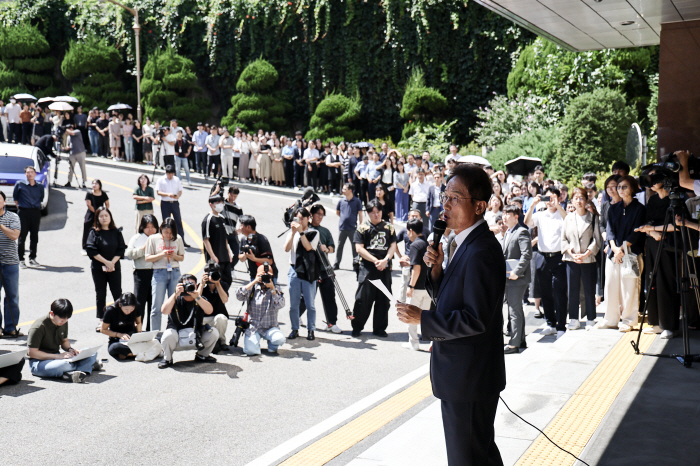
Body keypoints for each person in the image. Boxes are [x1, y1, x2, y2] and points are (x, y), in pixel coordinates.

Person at [398, 163, 506, 466]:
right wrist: (436, 272)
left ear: (480, 206)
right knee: (478, 454)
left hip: (470, 378)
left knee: (467, 458)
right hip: (463, 376)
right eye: (445, 196)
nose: (445, 205)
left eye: (455, 198)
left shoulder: (482, 249)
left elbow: (475, 318)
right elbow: (452, 299)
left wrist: (422, 318)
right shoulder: (461, 242)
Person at [597, 176, 646, 332]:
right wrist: (615, 248)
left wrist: (622, 249)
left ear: (632, 188)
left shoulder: (640, 209)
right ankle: (610, 319)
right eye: (619, 187)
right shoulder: (613, 208)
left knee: (629, 287)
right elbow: (609, 231)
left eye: (624, 187)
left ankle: (629, 320)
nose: (620, 190)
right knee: (610, 286)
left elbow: (637, 232)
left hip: (631, 252)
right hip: (614, 253)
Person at [525, 186, 568, 338]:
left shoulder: (562, 214)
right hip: (542, 256)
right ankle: (550, 323)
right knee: (545, 292)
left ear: (558, 198)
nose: (549, 201)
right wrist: (532, 205)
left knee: (559, 291)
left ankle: (561, 325)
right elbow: (527, 222)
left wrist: (558, 206)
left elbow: (568, 220)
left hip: (558, 257)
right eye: (547, 198)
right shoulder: (540, 214)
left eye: (552, 198)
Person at [351, 199, 397, 338]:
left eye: (379, 212)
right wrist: (376, 260)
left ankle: (379, 328)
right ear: (368, 213)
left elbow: (393, 245)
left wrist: (386, 260)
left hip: (384, 267)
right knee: (362, 299)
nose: (377, 215)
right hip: (367, 267)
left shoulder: (389, 227)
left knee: (384, 299)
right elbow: (359, 248)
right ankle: (357, 327)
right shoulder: (362, 228)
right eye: (374, 213)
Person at [27, 299, 102, 383]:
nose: (65, 321)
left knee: (91, 352)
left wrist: (71, 350)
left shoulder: (62, 321)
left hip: (58, 357)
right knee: (62, 365)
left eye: (67, 318)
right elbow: (32, 353)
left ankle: (75, 373)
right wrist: (58, 357)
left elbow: (64, 341)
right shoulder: (38, 327)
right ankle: (86, 366)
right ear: (52, 313)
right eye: (62, 319)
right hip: (40, 362)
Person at [561, 188, 602, 331]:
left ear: (586, 201)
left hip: (588, 258)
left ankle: (591, 318)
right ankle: (573, 318)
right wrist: (572, 254)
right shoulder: (568, 218)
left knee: (589, 289)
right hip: (571, 259)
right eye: (576, 198)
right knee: (573, 289)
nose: (578, 201)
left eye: (581, 198)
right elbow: (563, 239)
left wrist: (586, 254)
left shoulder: (593, 217)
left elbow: (597, 240)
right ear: (572, 200)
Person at [158, 274, 218, 368]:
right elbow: (164, 311)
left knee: (213, 332)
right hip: (176, 339)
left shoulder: (199, 299)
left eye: (192, 284)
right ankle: (167, 359)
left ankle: (202, 355)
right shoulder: (175, 299)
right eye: (186, 284)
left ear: (196, 286)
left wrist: (197, 297)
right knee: (167, 335)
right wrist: (175, 294)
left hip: (196, 339)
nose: (188, 287)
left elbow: (210, 310)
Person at [86, 207, 125, 330]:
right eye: (101, 216)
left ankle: (120, 317)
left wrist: (112, 263)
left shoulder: (116, 232)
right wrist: (106, 262)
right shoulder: (94, 232)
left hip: (114, 267)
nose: (104, 218)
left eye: (106, 216)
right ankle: (102, 320)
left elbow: (121, 248)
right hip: (98, 268)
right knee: (101, 293)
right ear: (97, 218)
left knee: (117, 292)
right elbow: (91, 250)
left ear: (110, 217)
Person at [284, 207, 320, 340]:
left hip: (308, 271)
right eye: (297, 218)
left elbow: (309, 247)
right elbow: (286, 249)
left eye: (302, 218)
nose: (299, 221)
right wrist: (293, 233)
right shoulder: (292, 232)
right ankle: (294, 329)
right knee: (294, 304)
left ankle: (311, 330)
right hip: (293, 269)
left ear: (308, 219)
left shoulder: (314, 232)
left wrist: (301, 233)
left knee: (310, 303)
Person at [236, 264, 286, 355]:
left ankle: (272, 345)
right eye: (262, 276)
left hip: (270, 327)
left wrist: (272, 289)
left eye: (268, 276)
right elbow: (239, 296)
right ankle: (255, 343)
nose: (265, 279)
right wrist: (254, 282)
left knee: (279, 339)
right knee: (251, 351)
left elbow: (281, 305)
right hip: (254, 328)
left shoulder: (276, 288)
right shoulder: (252, 288)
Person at [502, 204, 532, 354]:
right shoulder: (507, 232)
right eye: (504, 213)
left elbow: (527, 254)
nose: (504, 216)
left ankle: (513, 344)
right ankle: (520, 340)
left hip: (517, 278)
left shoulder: (522, 232)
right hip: (509, 277)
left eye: (508, 214)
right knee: (516, 310)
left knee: (514, 310)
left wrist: (516, 271)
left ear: (516, 217)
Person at [146, 217, 185, 331]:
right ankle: (155, 334)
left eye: (171, 232)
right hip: (159, 272)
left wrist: (174, 256)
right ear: (161, 229)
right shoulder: (153, 239)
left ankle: (172, 331)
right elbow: (148, 258)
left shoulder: (177, 238)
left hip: (175, 272)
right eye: (166, 232)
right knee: (156, 307)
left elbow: (181, 257)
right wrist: (162, 254)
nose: (168, 235)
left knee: (175, 304)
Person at [308, 204, 341, 333]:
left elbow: (332, 248)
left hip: (325, 268)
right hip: (310, 269)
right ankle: (297, 318)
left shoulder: (325, 231)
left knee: (329, 297)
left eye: (322, 215)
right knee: (307, 297)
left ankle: (332, 323)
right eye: (318, 214)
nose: (320, 217)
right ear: (311, 214)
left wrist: (326, 249)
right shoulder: (306, 229)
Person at [126, 214, 158, 331]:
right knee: (140, 302)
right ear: (142, 227)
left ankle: (151, 329)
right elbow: (129, 254)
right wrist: (143, 249)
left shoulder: (159, 237)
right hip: (141, 273)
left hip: (156, 273)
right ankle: (138, 328)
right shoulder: (137, 238)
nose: (150, 229)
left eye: (153, 226)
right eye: (147, 227)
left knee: (153, 303)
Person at [404, 218, 429, 351]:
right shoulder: (427, 244)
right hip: (428, 287)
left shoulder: (414, 245)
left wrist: (411, 286)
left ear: (411, 231)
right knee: (425, 316)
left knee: (411, 315)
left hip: (417, 287)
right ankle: (431, 343)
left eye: (408, 231)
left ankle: (413, 342)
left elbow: (416, 268)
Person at [14, 165, 44, 268]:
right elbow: (16, 198)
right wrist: (21, 209)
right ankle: (20, 259)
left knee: (34, 236)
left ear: (35, 174)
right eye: (27, 172)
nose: (29, 174)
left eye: (31, 172)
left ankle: (32, 258)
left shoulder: (40, 186)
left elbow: (41, 198)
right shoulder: (20, 184)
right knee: (22, 236)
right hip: (23, 212)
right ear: (25, 174)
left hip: (35, 212)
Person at [0, 191, 21, 338]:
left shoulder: (12, 217)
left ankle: (10, 328)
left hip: (10, 263)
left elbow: (14, 235)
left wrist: (0, 225)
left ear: (4, 202)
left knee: (11, 296)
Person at [202, 195, 234, 284]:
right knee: (214, 282)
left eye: (221, 202)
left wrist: (228, 252)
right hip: (215, 259)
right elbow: (206, 240)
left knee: (227, 281)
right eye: (217, 203)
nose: (220, 205)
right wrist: (212, 256)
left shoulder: (222, 218)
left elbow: (225, 238)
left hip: (225, 257)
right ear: (211, 204)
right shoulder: (208, 219)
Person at [156, 165, 190, 247]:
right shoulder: (161, 180)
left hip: (174, 203)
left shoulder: (176, 179)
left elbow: (180, 191)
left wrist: (177, 196)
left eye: (172, 174)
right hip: (165, 203)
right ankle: (165, 240)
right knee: (166, 222)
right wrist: (168, 194)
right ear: (166, 173)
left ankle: (181, 240)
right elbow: (158, 192)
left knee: (178, 221)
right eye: (169, 174)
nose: (170, 176)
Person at [101, 293, 141, 360]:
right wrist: (118, 335)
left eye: (131, 309)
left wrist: (139, 335)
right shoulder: (111, 310)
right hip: (116, 338)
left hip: (132, 335)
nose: (129, 312)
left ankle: (129, 354)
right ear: (120, 305)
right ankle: (141, 352)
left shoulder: (137, 306)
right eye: (126, 309)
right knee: (115, 347)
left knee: (157, 338)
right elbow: (103, 330)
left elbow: (139, 322)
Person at [238, 215, 278, 281]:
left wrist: (254, 259)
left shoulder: (262, 239)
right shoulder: (244, 239)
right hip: (254, 275)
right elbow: (241, 258)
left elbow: (269, 261)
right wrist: (246, 253)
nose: (239, 228)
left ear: (248, 227)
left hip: (267, 275)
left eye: (241, 225)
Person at [201, 262, 231, 352]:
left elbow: (225, 300)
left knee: (221, 318)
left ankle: (221, 342)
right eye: (209, 273)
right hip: (205, 319)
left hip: (217, 318)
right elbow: (196, 299)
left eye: (215, 273)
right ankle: (206, 341)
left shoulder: (223, 285)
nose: (212, 276)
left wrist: (217, 284)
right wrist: (202, 284)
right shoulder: (201, 286)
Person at [334, 183, 363, 270]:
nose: (343, 191)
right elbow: (337, 212)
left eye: (345, 189)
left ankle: (355, 263)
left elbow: (360, 214)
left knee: (354, 247)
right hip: (342, 228)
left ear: (350, 190)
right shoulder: (341, 201)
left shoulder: (357, 201)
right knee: (340, 246)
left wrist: (360, 225)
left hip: (352, 228)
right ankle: (336, 263)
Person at [82, 179, 110, 253]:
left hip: (101, 213)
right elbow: (89, 204)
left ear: (99, 186)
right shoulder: (89, 194)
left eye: (96, 184)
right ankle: (85, 247)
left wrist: (104, 211)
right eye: (93, 184)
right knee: (87, 226)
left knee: (101, 228)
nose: (94, 185)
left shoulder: (103, 194)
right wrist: (96, 212)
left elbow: (107, 203)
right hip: (91, 213)